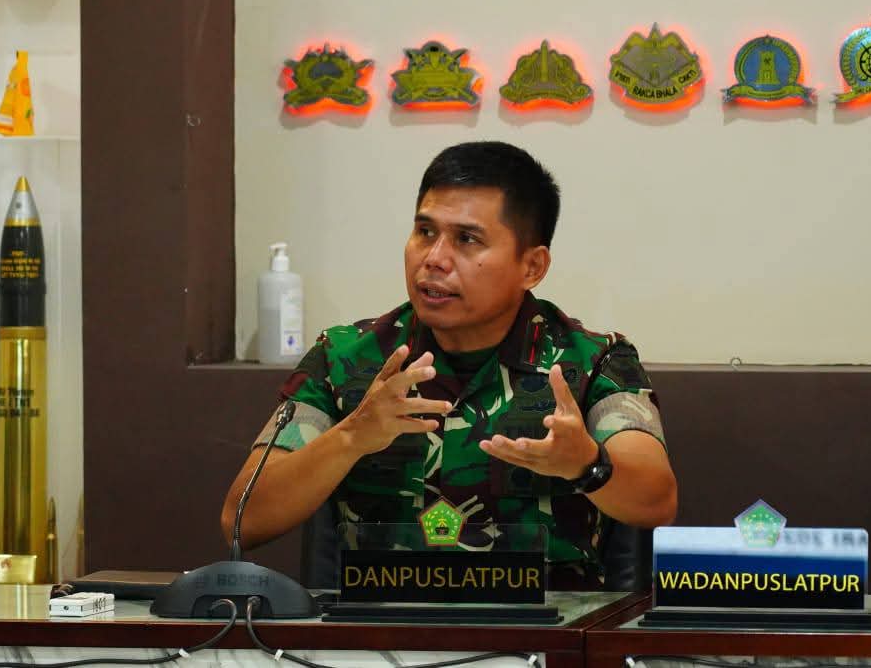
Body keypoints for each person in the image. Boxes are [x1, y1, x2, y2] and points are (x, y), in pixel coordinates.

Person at [221, 141, 677, 589]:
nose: (434, 259)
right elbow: (242, 520)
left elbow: (657, 500)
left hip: (543, 629)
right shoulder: (345, 358)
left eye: (467, 239)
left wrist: (587, 465)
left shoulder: (593, 362)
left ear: (532, 266)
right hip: (378, 628)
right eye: (425, 232)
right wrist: (351, 436)